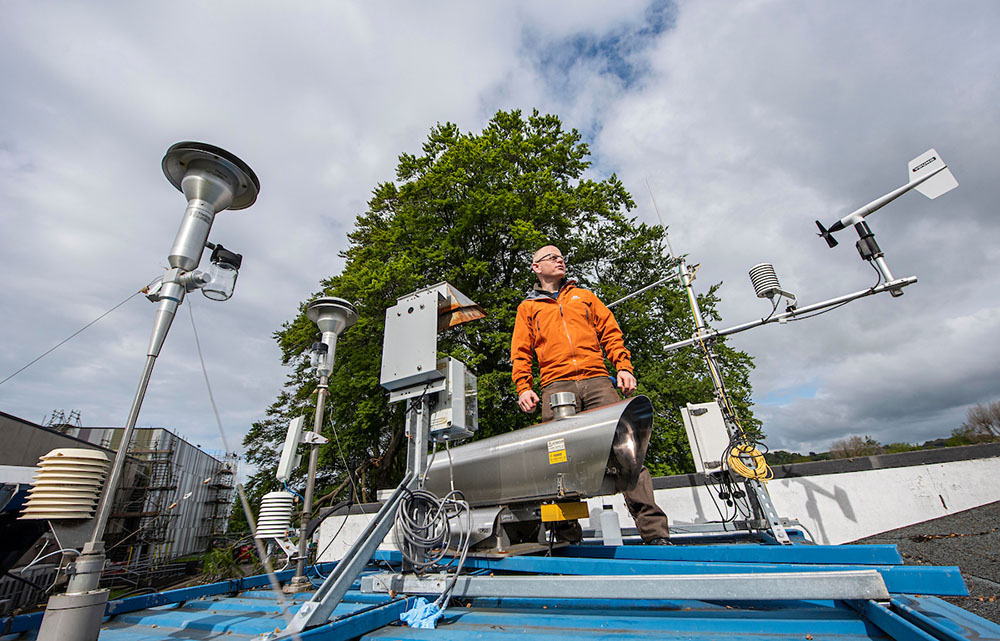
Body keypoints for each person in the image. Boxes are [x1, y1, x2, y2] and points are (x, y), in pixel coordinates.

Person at [511, 244, 671, 545]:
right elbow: (520, 352)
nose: (560, 261)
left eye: (562, 257)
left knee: (627, 450)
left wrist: (623, 366)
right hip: (556, 386)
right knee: (557, 460)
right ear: (536, 267)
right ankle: (566, 537)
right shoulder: (528, 308)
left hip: (598, 380)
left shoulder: (584, 297)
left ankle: (655, 533)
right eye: (552, 257)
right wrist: (524, 386)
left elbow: (611, 332)